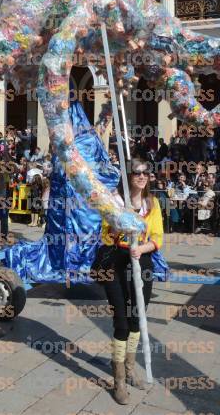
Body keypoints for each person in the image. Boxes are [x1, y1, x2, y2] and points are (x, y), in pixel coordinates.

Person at [99, 159, 164, 404]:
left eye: (146, 172)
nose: (142, 176)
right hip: (116, 263)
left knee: (137, 318)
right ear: (128, 176)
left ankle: (129, 369)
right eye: (137, 172)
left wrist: (144, 248)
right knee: (122, 322)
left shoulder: (152, 203)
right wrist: (117, 228)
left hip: (142, 262)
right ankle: (117, 381)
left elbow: (158, 235)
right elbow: (105, 235)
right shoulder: (114, 201)